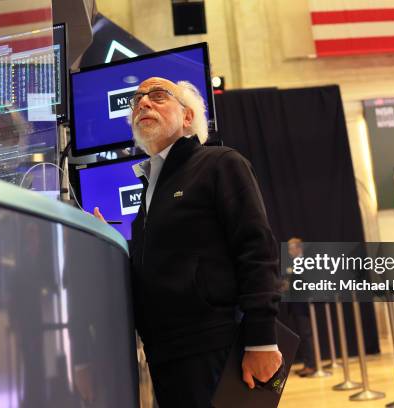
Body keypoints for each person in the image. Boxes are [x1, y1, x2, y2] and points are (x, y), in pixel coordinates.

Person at [92, 77, 282, 407]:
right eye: (137, 100)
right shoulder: (150, 189)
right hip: (166, 353)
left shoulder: (221, 163)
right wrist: (108, 245)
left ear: (188, 118)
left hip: (214, 347)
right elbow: (156, 268)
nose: (143, 103)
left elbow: (257, 250)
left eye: (158, 96)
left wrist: (262, 340)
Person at [286, 238, 318, 377]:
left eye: (291, 247)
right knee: (302, 336)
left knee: (305, 335)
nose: (289, 251)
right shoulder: (295, 262)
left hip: (302, 304)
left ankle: (311, 365)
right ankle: (307, 363)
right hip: (296, 304)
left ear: (298, 248)